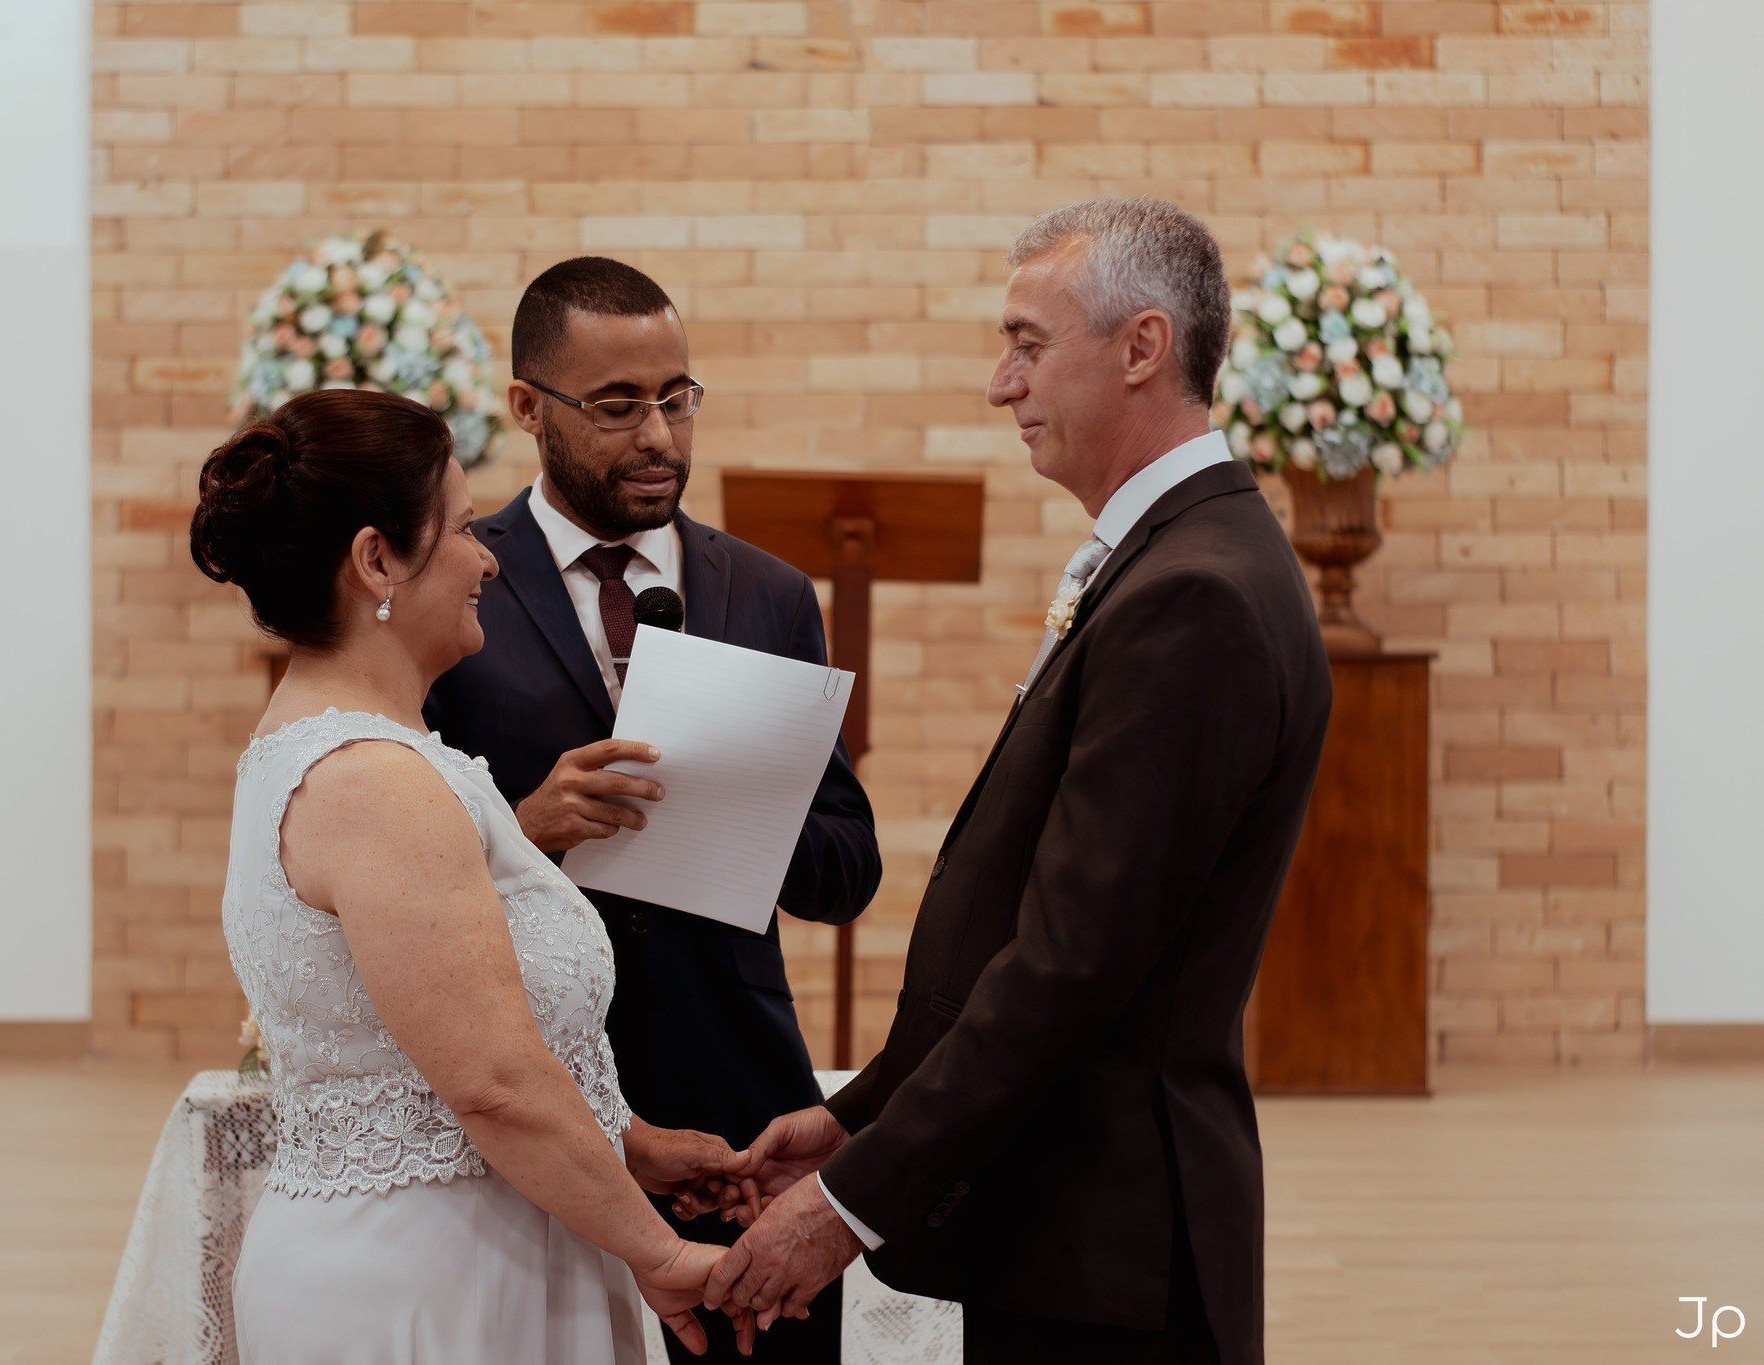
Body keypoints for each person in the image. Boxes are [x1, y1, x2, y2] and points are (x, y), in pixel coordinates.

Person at [706, 198, 1334, 1365]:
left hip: (1111, 1241)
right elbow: (1020, 927)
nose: (1001, 384)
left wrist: (846, 1206)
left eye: (1026, 343)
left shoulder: (1190, 595)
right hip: (1069, 1216)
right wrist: (859, 1114)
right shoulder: (1173, 560)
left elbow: (1069, 964)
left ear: (1141, 348)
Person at [192, 388, 756, 1363]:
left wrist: (628, 1144)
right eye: (457, 527)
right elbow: (490, 1081)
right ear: (376, 559)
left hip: (484, 1249)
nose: (485, 556)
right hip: (430, 1280)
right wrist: (658, 1254)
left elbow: (436, 1046)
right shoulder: (373, 783)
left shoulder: (392, 758)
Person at [426, 256, 882, 1363]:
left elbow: (848, 867)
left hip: (738, 1116)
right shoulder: (457, 579)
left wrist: (736, 814)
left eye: (677, 399)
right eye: (619, 406)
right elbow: (395, 860)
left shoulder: (769, 595)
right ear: (528, 409)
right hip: (535, 1101)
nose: (660, 439)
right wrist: (525, 829)